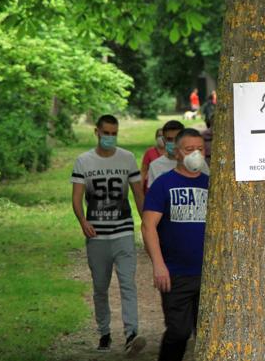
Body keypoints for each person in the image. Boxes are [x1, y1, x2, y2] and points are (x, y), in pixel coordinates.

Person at [70, 114, 147, 355]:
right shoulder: (84, 161)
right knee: (100, 286)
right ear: (97, 132)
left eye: (114, 133)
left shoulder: (127, 158)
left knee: (127, 284)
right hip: (97, 235)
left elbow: (137, 193)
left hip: (123, 230)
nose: (110, 137)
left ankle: (131, 333)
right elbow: (76, 197)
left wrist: (147, 223)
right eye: (106, 133)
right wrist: (83, 221)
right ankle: (104, 332)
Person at [141, 128, 209, 361]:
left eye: (200, 149)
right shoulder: (163, 184)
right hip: (175, 273)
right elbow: (148, 226)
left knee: (208, 334)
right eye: (190, 149)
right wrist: (159, 266)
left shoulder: (212, 185)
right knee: (179, 332)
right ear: (178, 153)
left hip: (209, 273)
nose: (196, 154)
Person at [148, 120, 209, 189]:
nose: (174, 143)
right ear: (164, 140)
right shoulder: (155, 165)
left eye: (177, 139)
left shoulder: (199, 162)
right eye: (169, 139)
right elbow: (153, 192)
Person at [141, 128, 165, 193]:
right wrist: (140, 189)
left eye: (163, 136)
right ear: (156, 138)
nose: (161, 138)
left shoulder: (172, 153)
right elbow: (143, 171)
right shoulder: (149, 152)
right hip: (151, 187)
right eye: (159, 136)